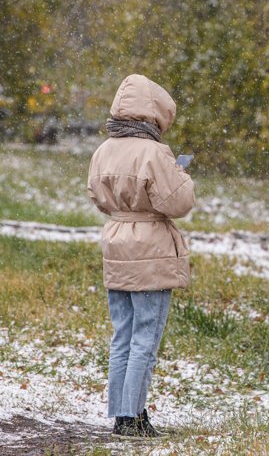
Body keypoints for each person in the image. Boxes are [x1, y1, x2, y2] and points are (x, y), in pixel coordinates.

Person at [87, 74, 195, 438]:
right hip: (149, 248)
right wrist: (180, 173)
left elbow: (96, 196)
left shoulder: (104, 149)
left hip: (117, 241)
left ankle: (122, 413)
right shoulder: (154, 153)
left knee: (123, 334)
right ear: (154, 113)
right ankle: (134, 418)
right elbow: (178, 203)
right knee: (146, 337)